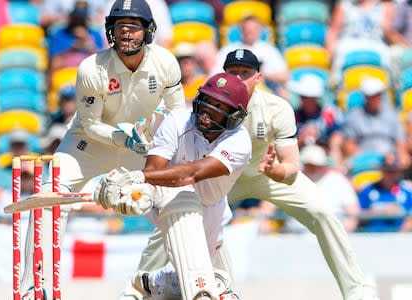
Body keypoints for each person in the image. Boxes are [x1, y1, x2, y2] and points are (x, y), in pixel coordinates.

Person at [133, 49, 381, 300]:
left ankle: (357, 291)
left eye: (245, 73)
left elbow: (292, 167)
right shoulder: (209, 103)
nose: (239, 78)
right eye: (233, 73)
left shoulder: (276, 108)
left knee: (322, 212)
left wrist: (276, 170)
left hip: (265, 176)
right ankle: (138, 289)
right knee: (178, 216)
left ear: (258, 77)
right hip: (216, 176)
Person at [19, 0, 186, 298]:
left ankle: (179, 281)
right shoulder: (91, 68)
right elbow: (87, 123)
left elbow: (177, 115)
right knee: (47, 196)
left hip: (143, 145)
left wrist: (155, 142)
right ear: (110, 30)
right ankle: (34, 287)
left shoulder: (165, 63)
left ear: (148, 31)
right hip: (88, 144)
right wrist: (123, 138)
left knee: (179, 207)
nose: (126, 32)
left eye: (134, 26)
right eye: (120, 26)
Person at [94, 72, 251, 299]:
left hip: (210, 207)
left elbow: (192, 174)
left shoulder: (239, 141)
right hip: (170, 198)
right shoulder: (177, 120)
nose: (208, 109)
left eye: (219, 106)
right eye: (207, 100)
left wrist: (138, 177)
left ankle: (151, 282)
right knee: (201, 286)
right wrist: (130, 189)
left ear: (234, 115)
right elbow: (153, 171)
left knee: (194, 279)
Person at [342, 77, 410, 170]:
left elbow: (400, 142)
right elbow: (349, 144)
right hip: (363, 160)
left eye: (377, 95)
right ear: (365, 97)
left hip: (390, 160)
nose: (375, 98)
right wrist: (368, 159)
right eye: (371, 96)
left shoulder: (392, 114)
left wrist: (401, 157)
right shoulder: (354, 116)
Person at [356, 153, 412, 233]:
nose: (391, 175)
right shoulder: (368, 190)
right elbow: (357, 216)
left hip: (398, 237)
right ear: (382, 170)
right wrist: (379, 211)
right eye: (388, 171)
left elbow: (410, 220)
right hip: (370, 236)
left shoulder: (407, 192)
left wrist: (400, 234)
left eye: (394, 171)